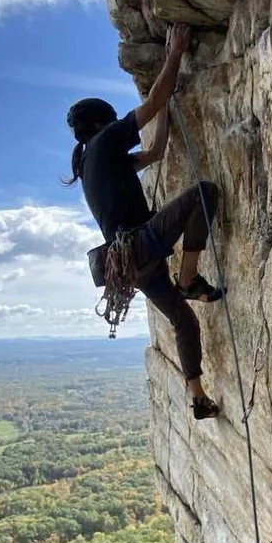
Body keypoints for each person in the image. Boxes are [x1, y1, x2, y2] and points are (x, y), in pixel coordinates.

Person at [64, 23, 223, 420]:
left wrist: (167, 106)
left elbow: (153, 153)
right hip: (139, 246)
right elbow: (148, 108)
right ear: (103, 122)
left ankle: (198, 396)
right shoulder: (105, 142)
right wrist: (175, 54)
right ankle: (188, 280)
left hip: (130, 265)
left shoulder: (91, 163)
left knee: (185, 322)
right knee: (203, 194)